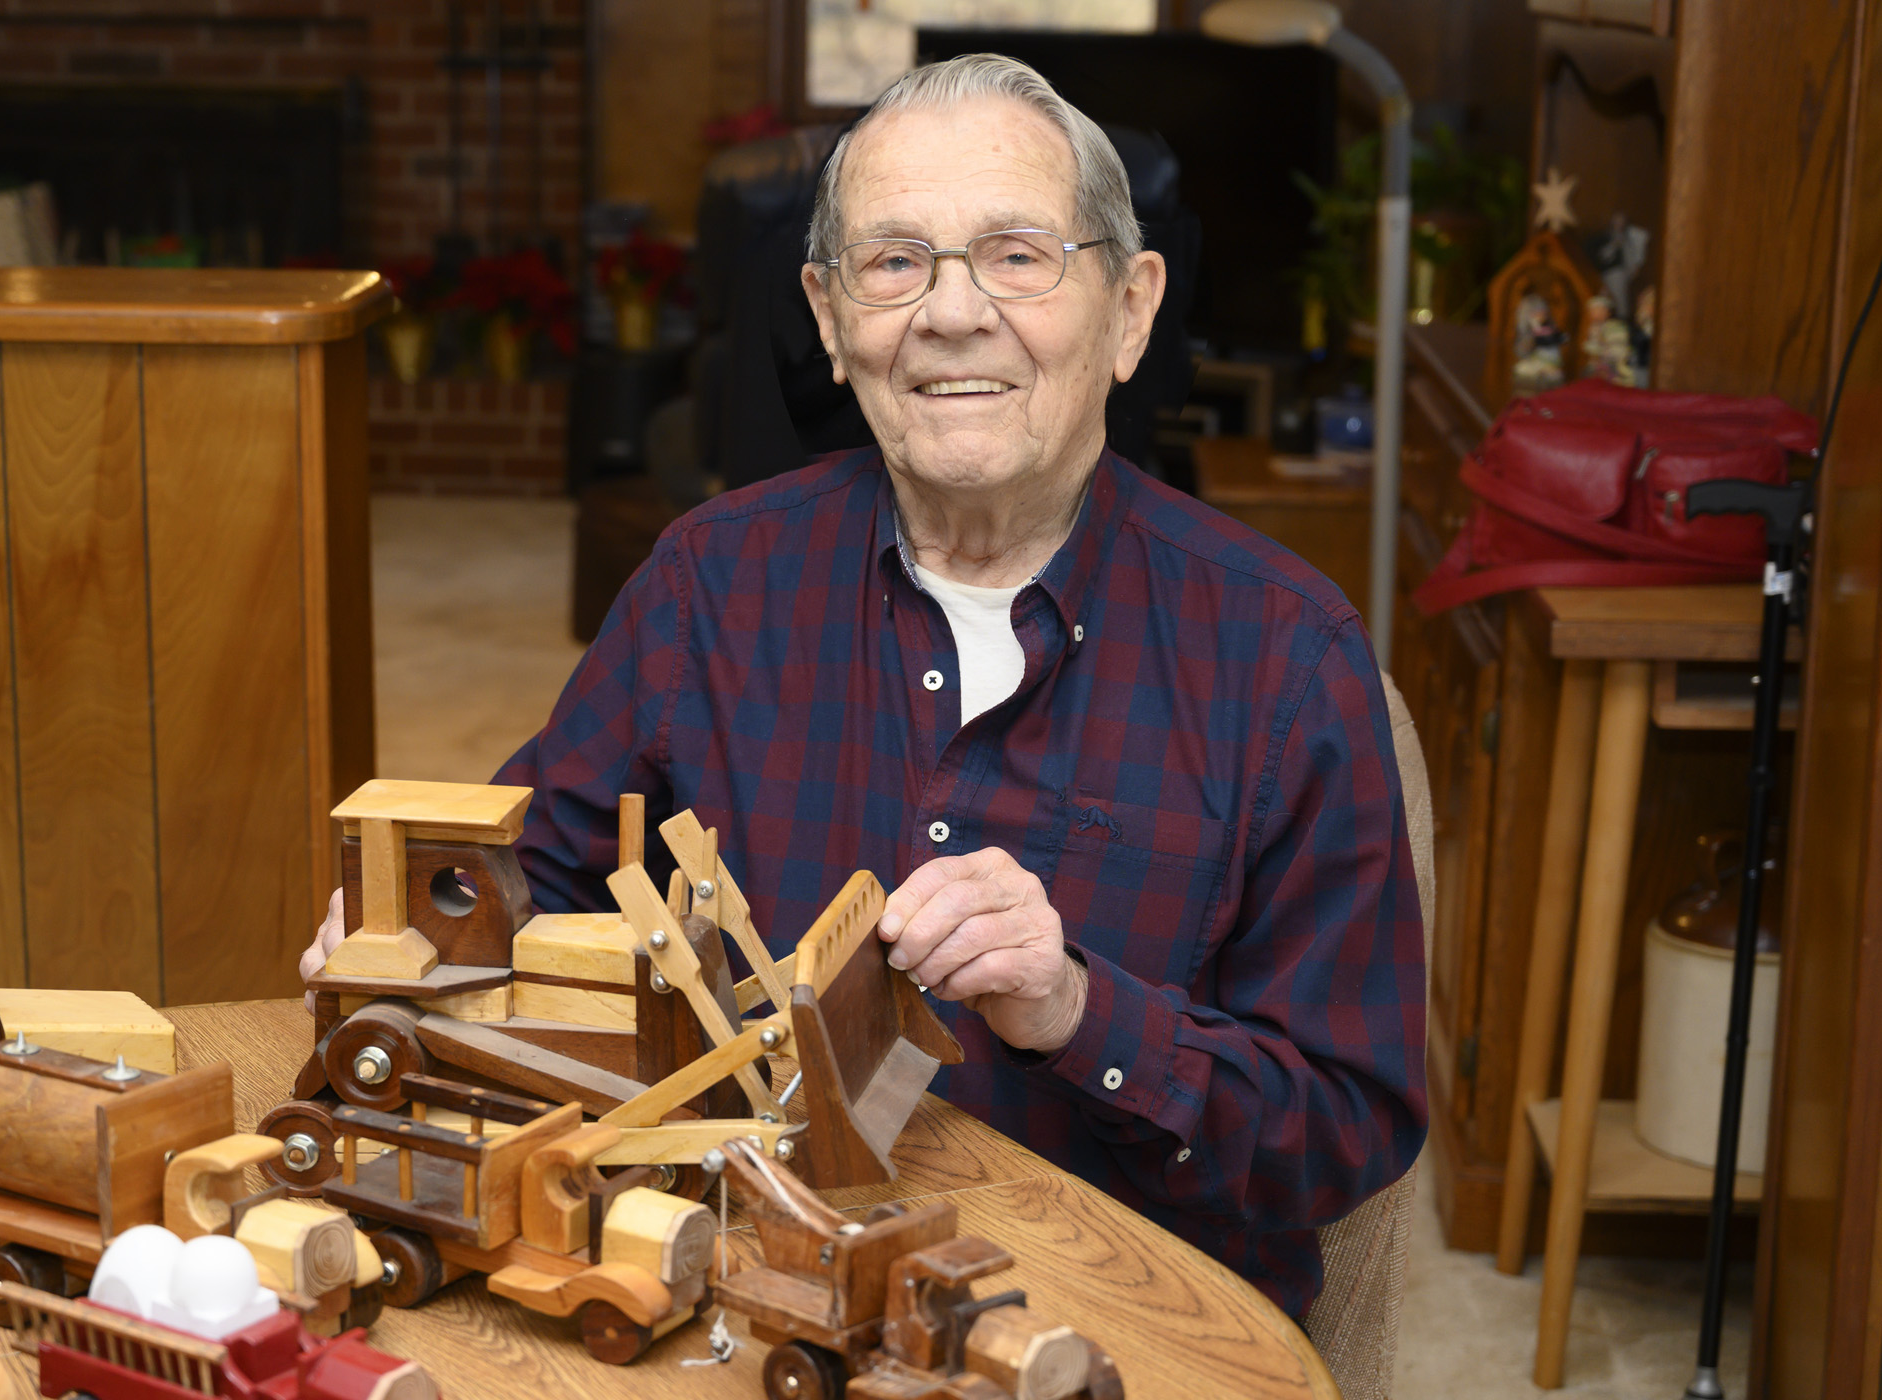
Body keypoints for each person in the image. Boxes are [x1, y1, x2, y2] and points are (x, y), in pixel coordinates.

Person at [305, 54, 1425, 1321]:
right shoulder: (709, 584)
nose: (950, 313)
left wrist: (1076, 1007)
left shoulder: (1283, 655)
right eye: (894, 263)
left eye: (1017, 253)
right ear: (832, 322)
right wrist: (414, 953)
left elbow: (1346, 1127)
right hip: (746, 1288)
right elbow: (526, 884)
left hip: (1108, 1322)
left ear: (1128, 308)